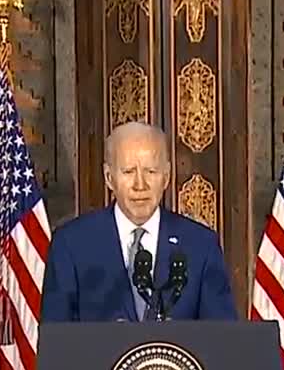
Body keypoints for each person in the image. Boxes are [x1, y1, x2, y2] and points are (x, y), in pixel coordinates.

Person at [40, 121, 238, 322]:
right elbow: (57, 342)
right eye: (128, 172)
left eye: (150, 171)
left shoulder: (201, 245)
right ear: (109, 178)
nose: (140, 185)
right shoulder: (71, 244)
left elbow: (221, 341)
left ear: (166, 177)